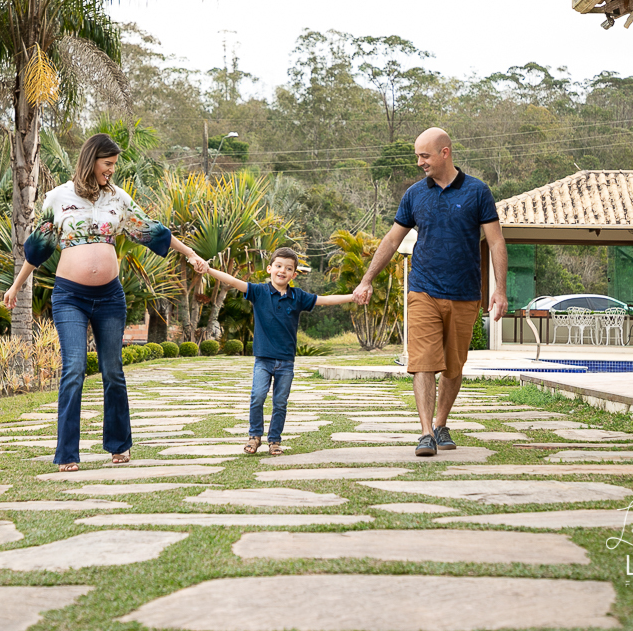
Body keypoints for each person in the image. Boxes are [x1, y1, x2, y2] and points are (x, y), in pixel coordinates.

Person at [3, 134, 208, 472]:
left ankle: (118, 444)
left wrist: (191, 254)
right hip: (70, 296)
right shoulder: (58, 197)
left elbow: (152, 231)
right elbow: (39, 247)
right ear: (91, 160)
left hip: (110, 297)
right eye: (107, 164)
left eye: (114, 165)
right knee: (74, 368)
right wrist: (16, 286)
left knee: (113, 370)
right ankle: (67, 453)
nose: (111, 170)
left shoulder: (118, 198)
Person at [353, 128, 507, 457]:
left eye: (424, 156)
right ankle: (425, 433)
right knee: (422, 363)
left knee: (453, 367)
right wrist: (367, 279)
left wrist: (500, 290)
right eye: (417, 156)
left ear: (444, 153)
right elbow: (392, 240)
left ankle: (441, 424)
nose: (420, 162)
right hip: (423, 289)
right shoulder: (414, 194)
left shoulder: (478, 191)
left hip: (465, 293)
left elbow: (496, 242)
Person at [204, 248, 355, 455]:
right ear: (270, 269)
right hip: (263, 360)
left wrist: (353, 297)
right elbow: (232, 280)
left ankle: (274, 440)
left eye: (288, 268)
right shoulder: (259, 292)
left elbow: (326, 300)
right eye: (278, 266)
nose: (282, 271)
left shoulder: (298, 296)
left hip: (286, 362)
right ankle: (254, 437)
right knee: (257, 397)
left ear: (294, 274)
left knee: (280, 403)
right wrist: (208, 269)